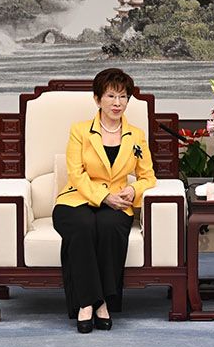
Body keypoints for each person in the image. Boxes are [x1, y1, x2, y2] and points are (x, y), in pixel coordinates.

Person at [52, 68, 156, 333]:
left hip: (119, 201)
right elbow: (76, 174)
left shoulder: (136, 135)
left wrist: (133, 190)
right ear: (98, 99)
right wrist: (103, 197)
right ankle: (91, 303)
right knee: (83, 226)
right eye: (111, 96)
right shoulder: (80, 131)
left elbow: (148, 177)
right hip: (76, 199)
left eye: (123, 96)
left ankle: (98, 302)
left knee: (109, 227)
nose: (117, 103)